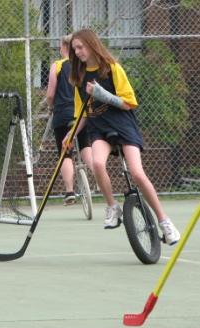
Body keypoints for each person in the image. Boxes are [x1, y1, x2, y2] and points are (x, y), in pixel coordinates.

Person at [64, 28, 180, 245]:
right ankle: (112, 207)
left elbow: (129, 103)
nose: (77, 52)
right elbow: (83, 114)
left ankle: (165, 222)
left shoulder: (112, 68)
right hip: (98, 128)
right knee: (97, 163)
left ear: (91, 44)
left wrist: (102, 94)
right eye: (74, 49)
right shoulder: (78, 78)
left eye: (80, 47)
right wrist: (71, 134)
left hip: (122, 124)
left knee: (137, 173)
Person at [46, 34, 93, 206]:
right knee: (86, 146)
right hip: (81, 113)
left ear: (64, 47)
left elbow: (50, 93)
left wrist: (51, 106)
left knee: (65, 153)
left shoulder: (57, 65)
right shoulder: (82, 66)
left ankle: (69, 191)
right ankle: (100, 174)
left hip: (63, 114)